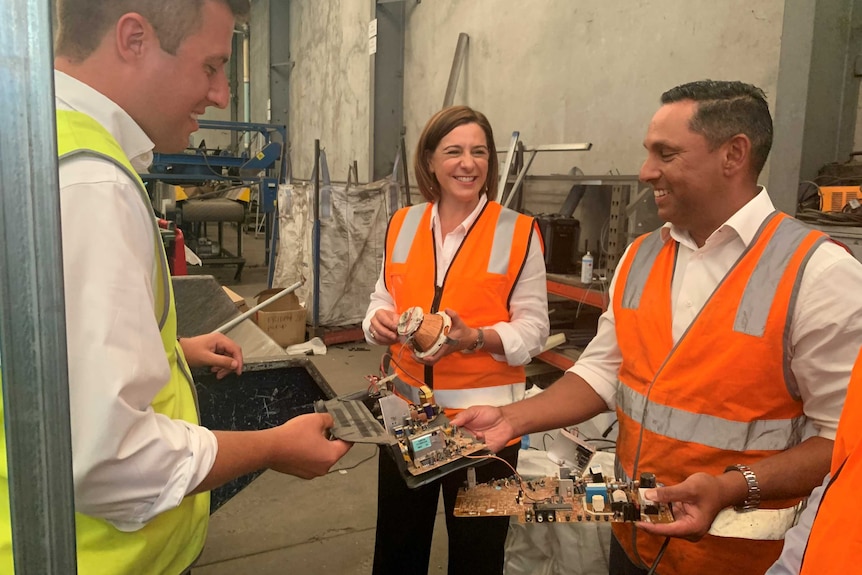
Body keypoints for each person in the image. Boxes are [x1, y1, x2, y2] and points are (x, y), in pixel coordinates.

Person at [452, 80, 862, 575]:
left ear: (734, 154)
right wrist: (513, 420)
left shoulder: (818, 275)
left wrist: (732, 486)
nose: (647, 172)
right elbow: (603, 372)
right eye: (649, 153)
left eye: (666, 155)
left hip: (740, 559)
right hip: (635, 539)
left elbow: (844, 442)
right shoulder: (640, 257)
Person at [0, 2, 351, 573]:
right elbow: (113, 462)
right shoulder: (89, 182)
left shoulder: (36, 137)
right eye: (211, 65)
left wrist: (169, 350)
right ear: (134, 38)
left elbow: (36, 346)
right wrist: (272, 446)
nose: (220, 94)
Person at [363, 105, 550, 575]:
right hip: (406, 419)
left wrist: (474, 338)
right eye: (454, 151)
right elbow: (381, 295)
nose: (468, 163)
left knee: (478, 554)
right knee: (398, 549)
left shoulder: (519, 231)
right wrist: (377, 322)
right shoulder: (402, 223)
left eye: (479, 152)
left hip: (484, 430)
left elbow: (534, 331)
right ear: (429, 161)